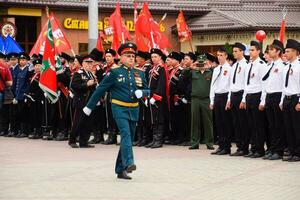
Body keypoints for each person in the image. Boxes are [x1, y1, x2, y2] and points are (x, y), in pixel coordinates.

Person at [83, 43, 150, 179]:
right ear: (121, 57)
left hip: (134, 109)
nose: (131, 58)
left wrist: (141, 92)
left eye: (133, 56)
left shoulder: (140, 72)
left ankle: (120, 169)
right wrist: (89, 107)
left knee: (129, 138)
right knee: (125, 134)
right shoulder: (114, 72)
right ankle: (129, 162)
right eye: (128, 56)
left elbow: (148, 90)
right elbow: (100, 90)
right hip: (119, 108)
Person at [261, 39, 286, 160]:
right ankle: (272, 148)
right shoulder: (270, 65)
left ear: (278, 51)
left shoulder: (282, 66)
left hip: (278, 96)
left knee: (278, 125)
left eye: (271, 49)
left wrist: (281, 100)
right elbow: (266, 84)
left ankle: (279, 150)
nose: (269, 51)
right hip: (269, 96)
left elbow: (284, 85)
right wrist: (264, 99)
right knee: (271, 125)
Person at [68, 55, 97, 148]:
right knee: (78, 122)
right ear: (83, 64)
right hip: (81, 101)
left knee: (88, 122)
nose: (89, 65)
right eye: (87, 63)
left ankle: (84, 141)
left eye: (91, 63)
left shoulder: (92, 74)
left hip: (89, 102)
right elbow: (74, 86)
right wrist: (86, 84)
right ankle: (72, 140)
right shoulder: (78, 73)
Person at [226, 42, 249, 156]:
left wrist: (243, 99)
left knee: (242, 123)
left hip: (241, 95)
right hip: (233, 95)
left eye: (236, 51)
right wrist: (229, 99)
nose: (234, 53)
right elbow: (231, 84)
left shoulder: (246, 64)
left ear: (242, 51)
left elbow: (246, 84)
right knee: (235, 123)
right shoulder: (234, 65)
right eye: (233, 51)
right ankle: (239, 146)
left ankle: (244, 147)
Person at [188, 54, 215, 150]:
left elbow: (216, 73)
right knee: (195, 121)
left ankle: (210, 143)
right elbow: (184, 76)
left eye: (202, 63)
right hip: (195, 99)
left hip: (206, 99)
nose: (201, 65)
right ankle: (195, 142)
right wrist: (191, 66)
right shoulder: (193, 72)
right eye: (199, 63)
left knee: (208, 121)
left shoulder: (210, 72)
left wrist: (210, 67)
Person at [280, 39, 300, 162]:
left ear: (295, 52)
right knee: (288, 127)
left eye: (287, 51)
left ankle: (298, 153)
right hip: (287, 99)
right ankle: (292, 151)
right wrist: (282, 101)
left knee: (296, 127)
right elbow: (284, 85)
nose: (285, 54)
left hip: (295, 98)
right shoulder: (286, 67)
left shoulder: (299, 66)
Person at [210, 48, 232, 155]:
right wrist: (212, 100)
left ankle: (226, 147)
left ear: (226, 56)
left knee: (225, 123)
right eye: (218, 55)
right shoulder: (216, 69)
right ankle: (221, 145)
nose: (219, 57)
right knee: (218, 123)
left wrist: (229, 99)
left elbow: (231, 86)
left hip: (225, 96)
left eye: (221, 55)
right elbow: (212, 85)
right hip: (217, 96)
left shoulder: (230, 68)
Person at [0, 54, 13, 136]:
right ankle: (3, 130)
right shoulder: (5, 68)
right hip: (1, 92)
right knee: (2, 112)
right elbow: (10, 83)